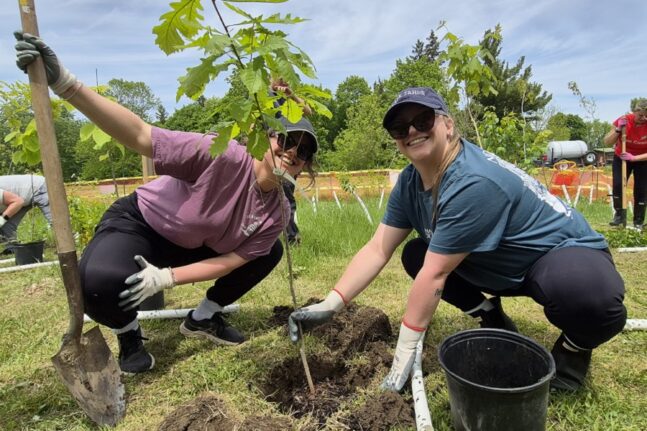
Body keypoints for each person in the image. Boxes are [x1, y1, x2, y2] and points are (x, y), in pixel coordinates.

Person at [15, 32, 318, 374]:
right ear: (267, 137)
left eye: (304, 151)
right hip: (144, 226)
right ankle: (128, 333)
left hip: (196, 244)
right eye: (287, 140)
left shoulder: (278, 210)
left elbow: (231, 260)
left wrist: (167, 278)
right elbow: (141, 135)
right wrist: (66, 84)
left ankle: (203, 318)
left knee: (270, 251)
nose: (293, 152)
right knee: (98, 283)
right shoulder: (221, 154)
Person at [288, 87, 627, 393]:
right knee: (416, 254)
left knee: (592, 300)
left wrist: (405, 351)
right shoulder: (409, 182)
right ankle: (490, 314)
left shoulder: (471, 181)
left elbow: (436, 276)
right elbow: (378, 248)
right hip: (495, 262)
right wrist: (331, 304)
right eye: (399, 128)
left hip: (557, 255)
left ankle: (573, 349)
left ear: (447, 125)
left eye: (423, 120)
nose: (411, 132)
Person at [270, 78, 313, 245]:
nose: (283, 81)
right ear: (270, 78)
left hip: (289, 157)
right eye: (279, 77)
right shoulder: (262, 97)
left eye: (286, 78)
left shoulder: (289, 99)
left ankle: (292, 239)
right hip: (271, 153)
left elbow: (308, 111)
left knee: (287, 196)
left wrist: (291, 95)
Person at [603, 99, 647, 230]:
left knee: (641, 189)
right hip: (621, 157)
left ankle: (638, 221)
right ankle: (619, 216)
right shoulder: (624, 120)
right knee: (618, 185)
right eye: (641, 115)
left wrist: (634, 158)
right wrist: (618, 129)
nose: (644, 118)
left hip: (642, 160)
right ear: (635, 112)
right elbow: (607, 142)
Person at [0, 174, 52, 249]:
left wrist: (1, 220)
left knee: (56, 222)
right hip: (20, 197)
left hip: (39, 187)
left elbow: (18, 202)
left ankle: (67, 247)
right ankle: (13, 250)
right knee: (7, 226)